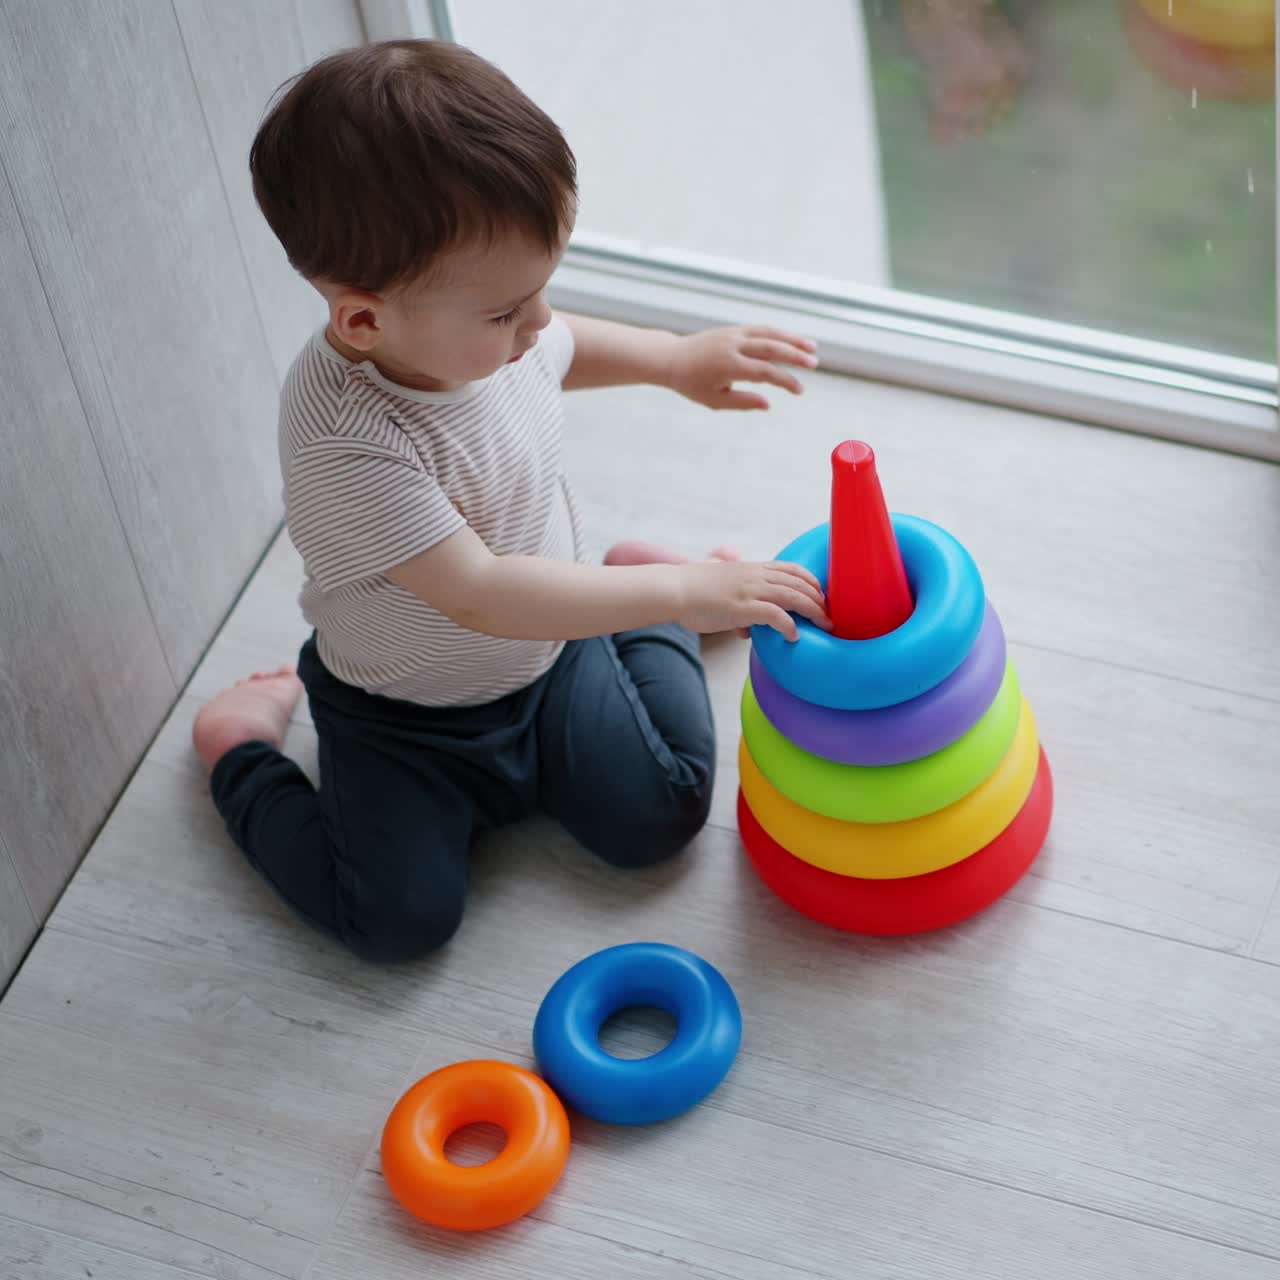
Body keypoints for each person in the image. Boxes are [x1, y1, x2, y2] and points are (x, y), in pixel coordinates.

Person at [193, 39, 830, 963]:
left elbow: (562, 340)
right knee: (396, 922)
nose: (539, 324)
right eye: (506, 311)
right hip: (404, 717)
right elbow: (481, 591)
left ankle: (637, 609)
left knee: (665, 814)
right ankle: (237, 753)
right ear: (364, 320)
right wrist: (690, 590)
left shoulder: (481, 333)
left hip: (552, 658)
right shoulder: (347, 438)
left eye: (541, 290)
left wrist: (676, 361)